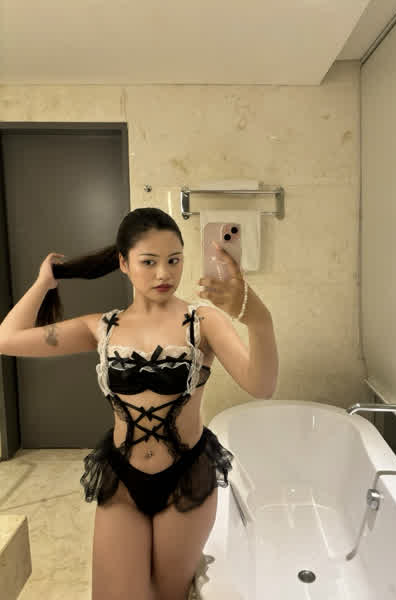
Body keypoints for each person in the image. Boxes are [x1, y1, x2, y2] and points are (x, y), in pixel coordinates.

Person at [0, 207, 278, 600]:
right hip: (122, 478)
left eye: (174, 260)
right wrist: (44, 283)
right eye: (149, 262)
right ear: (123, 263)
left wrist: (258, 319)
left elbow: (261, 385)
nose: (164, 273)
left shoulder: (204, 322)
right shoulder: (101, 327)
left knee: (167, 595)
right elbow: (6, 339)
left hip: (186, 476)